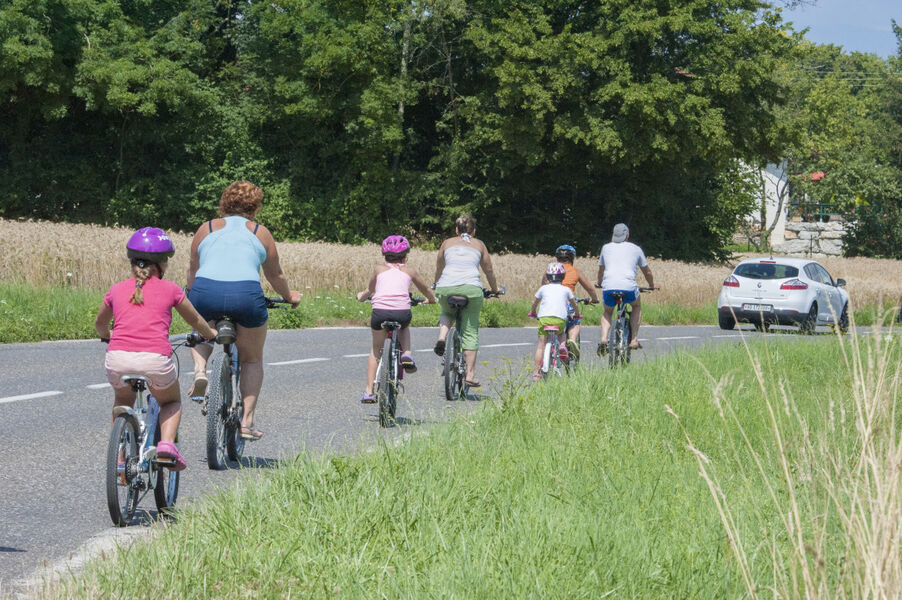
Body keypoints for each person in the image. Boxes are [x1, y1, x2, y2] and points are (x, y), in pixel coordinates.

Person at [186, 180, 301, 442]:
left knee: (202, 328)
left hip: (206, 291)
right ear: (256, 207)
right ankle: (247, 422)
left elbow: (193, 270)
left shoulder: (207, 228)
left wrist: (191, 296)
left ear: (224, 203)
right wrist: (288, 295)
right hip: (245, 296)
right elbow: (275, 274)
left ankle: (200, 371)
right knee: (251, 359)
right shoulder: (260, 233)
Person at [96, 227, 217, 471]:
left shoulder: (117, 289)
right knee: (171, 402)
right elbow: (195, 320)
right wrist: (209, 334)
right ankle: (166, 445)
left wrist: (107, 336)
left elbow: (100, 324)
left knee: (122, 400)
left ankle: (119, 456)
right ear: (162, 265)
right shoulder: (171, 289)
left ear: (132, 262)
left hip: (117, 359)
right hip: (155, 361)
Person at [356, 235, 437, 403]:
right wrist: (432, 299)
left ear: (384, 256)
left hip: (380, 313)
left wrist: (361, 297)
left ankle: (369, 391)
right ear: (405, 257)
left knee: (376, 350)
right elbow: (426, 289)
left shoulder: (378, 270)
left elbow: (369, 290)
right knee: (404, 327)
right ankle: (406, 354)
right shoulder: (410, 271)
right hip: (402, 313)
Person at [433, 215, 501, 388]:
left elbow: (439, 267)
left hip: (446, 287)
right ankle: (470, 374)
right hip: (471, 289)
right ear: (474, 231)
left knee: (447, 312)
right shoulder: (479, 244)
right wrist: (495, 289)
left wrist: (436, 283)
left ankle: (442, 337)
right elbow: (489, 270)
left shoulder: (447, 243)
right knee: (470, 330)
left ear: (456, 230)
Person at [596, 223, 659, 354]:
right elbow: (647, 272)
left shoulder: (605, 247)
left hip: (608, 287)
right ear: (627, 235)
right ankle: (634, 339)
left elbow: (601, 270)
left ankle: (603, 338)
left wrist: (599, 283)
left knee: (608, 312)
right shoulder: (636, 249)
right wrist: (652, 285)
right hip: (629, 287)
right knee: (636, 306)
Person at [540, 244, 599, 359]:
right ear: (572, 258)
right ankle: (572, 340)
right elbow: (590, 289)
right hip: (567, 303)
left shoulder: (550, 270)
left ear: (557, 258)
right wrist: (594, 299)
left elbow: (543, 286)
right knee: (574, 322)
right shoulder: (575, 271)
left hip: (550, 304)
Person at [529, 263, 580, 380]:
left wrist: (533, 312)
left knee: (541, 345)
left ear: (547, 276)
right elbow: (574, 304)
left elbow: (535, 303)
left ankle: (536, 373)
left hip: (544, 319)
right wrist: (576, 314)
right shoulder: (566, 289)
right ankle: (562, 346)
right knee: (561, 333)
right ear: (562, 277)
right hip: (560, 319)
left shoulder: (543, 288)